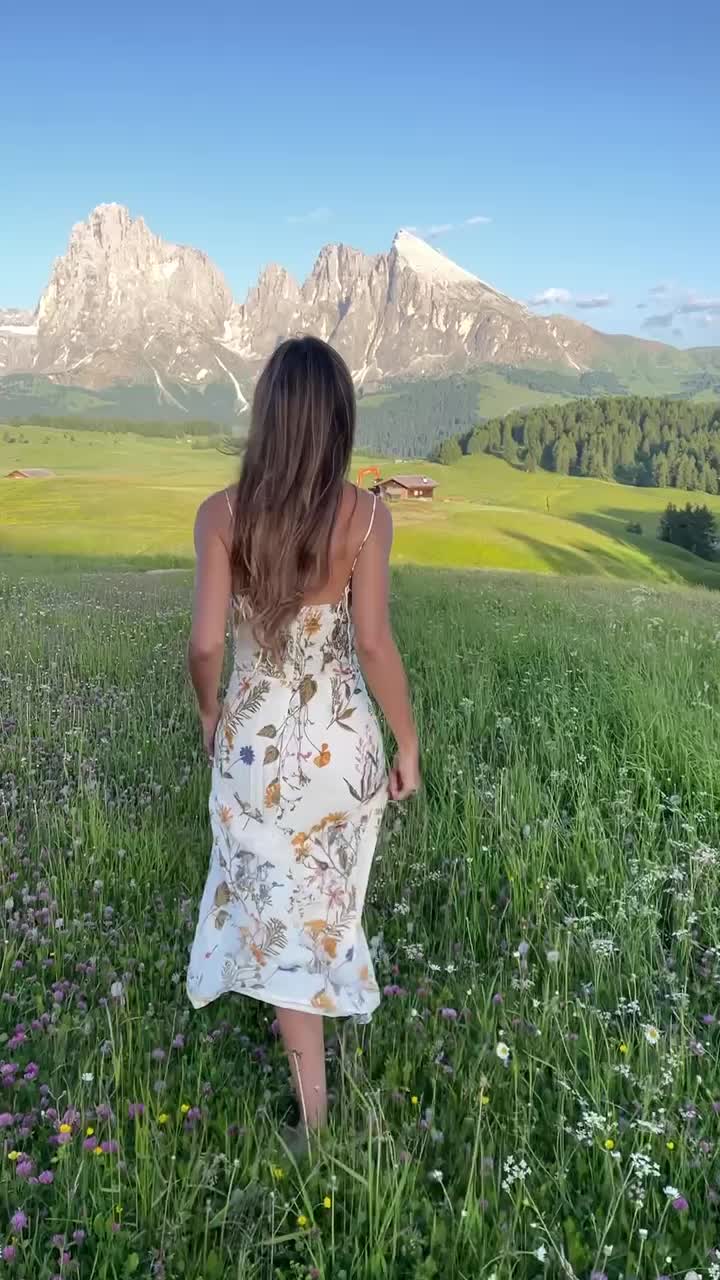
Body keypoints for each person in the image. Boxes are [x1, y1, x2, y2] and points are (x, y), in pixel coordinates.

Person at [186, 335, 419, 1135]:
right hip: (343, 747)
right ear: (339, 421)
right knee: (320, 902)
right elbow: (374, 643)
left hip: (256, 749)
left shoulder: (221, 514)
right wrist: (407, 742)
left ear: (266, 417)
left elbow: (206, 645)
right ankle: (314, 1033)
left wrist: (210, 712)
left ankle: (313, 1122)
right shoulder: (369, 517)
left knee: (286, 916)